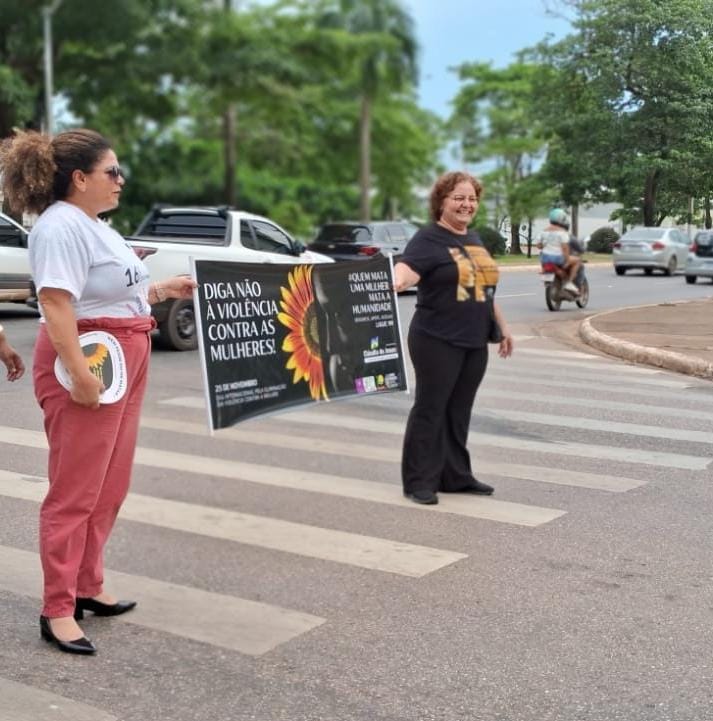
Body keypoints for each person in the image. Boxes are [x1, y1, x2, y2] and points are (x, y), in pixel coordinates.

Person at [0, 129, 196, 655]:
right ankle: (58, 607)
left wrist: (161, 290)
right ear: (79, 178)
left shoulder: (94, 226)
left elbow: (110, 292)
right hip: (89, 360)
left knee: (109, 485)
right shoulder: (60, 226)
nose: (120, 180)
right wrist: (81, 374)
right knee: (75, 491)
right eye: (112, 171)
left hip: (123, 353)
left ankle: (88, 585)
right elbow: (59, 305)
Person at [393, 171, 513, 505]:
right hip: (436, 338)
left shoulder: (473, 238)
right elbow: (406, 270)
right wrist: (396, 281)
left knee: (459, 410)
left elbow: (484, 289)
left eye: (472, 198)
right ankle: (418, 480)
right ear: (442, 202)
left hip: (474, 339)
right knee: (431, 409)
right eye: (458, 197)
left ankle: (455, 475)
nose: (467, 204)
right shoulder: (428, 239)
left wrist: (502, 327)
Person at [537, 208, 581, 294]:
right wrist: (567, 259)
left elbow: (539, 246)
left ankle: (545, 271)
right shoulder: (562, 232)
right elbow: (565, 248)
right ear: (561, 220)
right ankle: (568, 282)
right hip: (558, 258)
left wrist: (546, 245)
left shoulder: (543, 231)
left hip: (544, 259)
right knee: (577, 261)